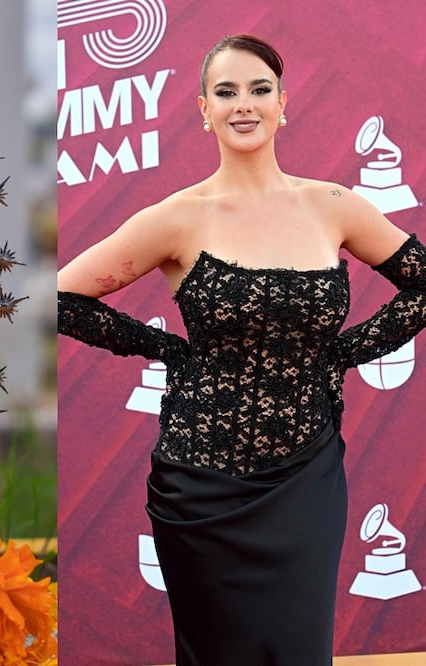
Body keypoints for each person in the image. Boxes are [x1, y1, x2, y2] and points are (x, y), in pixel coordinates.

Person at [56, 34, 426, 665]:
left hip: (305, 480)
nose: (244, 105)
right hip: (200, 489)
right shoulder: (178, 217)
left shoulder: (332, 205)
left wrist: (342, 353)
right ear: (203, 109)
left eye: (260, 89)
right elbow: (61, 297)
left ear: (285, 103)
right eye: (226, 92)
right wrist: (166, 350)